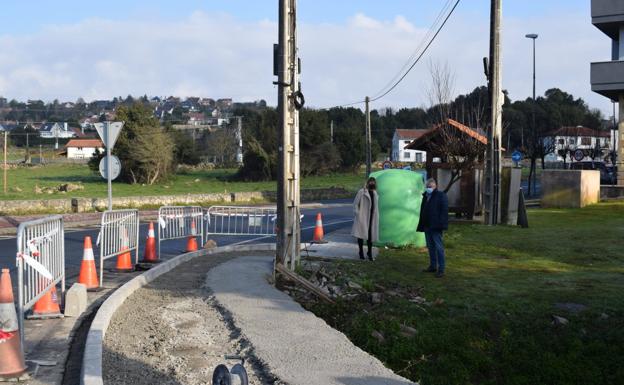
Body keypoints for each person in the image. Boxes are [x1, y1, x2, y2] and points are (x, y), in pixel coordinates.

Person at [417, 178, 448, 278]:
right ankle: (433, 266)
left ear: (435, 186)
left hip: (436, 226)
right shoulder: (426, 196)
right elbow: (423, 210)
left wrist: (441, 225)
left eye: (430, 187)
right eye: (427, 187)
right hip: (427, 225)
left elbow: (444, 211)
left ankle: (441, 269)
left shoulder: (440, 196)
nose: (428, 188)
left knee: (439, 248)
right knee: (430, 247)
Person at [352, 177, 379, 261]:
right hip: (363, 216)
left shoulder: (375, 193)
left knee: (370, 236)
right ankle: (361, 252)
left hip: (372, 217)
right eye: (370, 182)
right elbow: (355, 204)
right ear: (368, 183)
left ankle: (369, 253)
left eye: (373, 182)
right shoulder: (361, 192)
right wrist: (358, 214)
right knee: (361, 235)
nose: (372, 184)